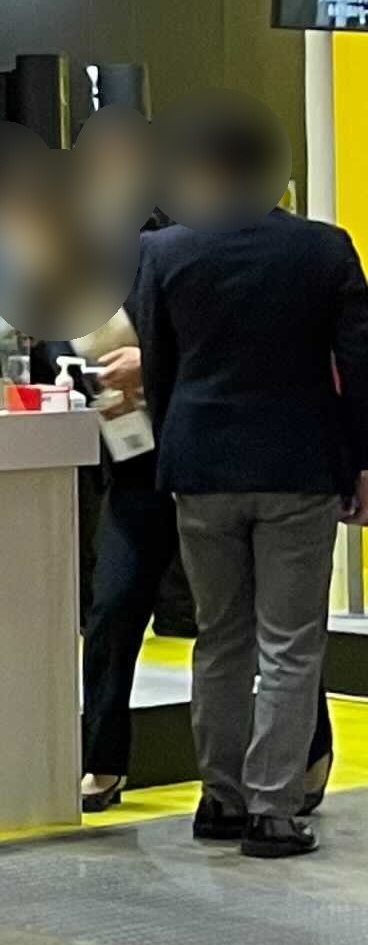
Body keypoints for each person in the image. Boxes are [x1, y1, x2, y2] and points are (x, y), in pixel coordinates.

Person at [128, 92, 368, 861]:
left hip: (201, 466)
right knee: (290, 642)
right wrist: (361, 461)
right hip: (300, 467)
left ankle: (220, 799)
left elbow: (157, 367)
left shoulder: (164, 252)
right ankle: (273, 810)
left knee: (219, 636)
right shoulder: (324, 250)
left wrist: (174, 445)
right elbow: (359, 368)